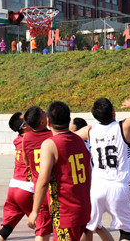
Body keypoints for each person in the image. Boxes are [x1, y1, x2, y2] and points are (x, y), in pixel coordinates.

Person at [76, 98, 130, 241]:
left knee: (88, 228)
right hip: (119, 187)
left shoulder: (90, 130)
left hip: (97, 187)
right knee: (126, 232)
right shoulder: (124, 126)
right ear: (113, 112)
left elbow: (68, 137)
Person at [28, 101, 92, 241]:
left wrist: (35, 211)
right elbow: (89, 172)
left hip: (65, 211)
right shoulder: (79, 141)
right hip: (83, 206)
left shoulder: (50, 144)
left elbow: (43, 181)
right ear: (69, 120)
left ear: (48, 122)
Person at [0, 112, 34, 241]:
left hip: (13, 188)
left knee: (7, 228)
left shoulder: (18, 139)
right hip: (26, 189)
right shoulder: (31, 140)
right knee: (44, 227)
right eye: (27, 118)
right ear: (24, 126)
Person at [21, 106, 53, 241]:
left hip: (39, 192)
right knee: (63, 229)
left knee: (42, 230)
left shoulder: (26, 137)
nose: (45, 112)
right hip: (54, 190)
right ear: (42, 122)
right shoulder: (53, 136)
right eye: (42, 112)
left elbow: (26, 161)